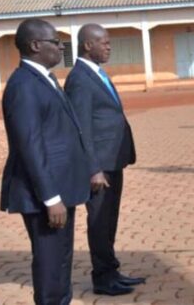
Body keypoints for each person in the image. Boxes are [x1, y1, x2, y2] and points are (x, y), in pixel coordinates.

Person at [0, 18, 92, 305]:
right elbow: (30, 146)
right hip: (45, 195)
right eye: (55, 41)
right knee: (51, 265)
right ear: (36, 45)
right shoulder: (24, 85)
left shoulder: (44, 79)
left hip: (60, 189)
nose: (60, 47)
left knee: (61, 261)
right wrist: (51, 198)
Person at [64, 24, 144, 296]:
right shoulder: (79, 79)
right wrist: (93, 168)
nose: (109, 46)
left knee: (109, 219)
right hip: (99, 166)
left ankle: (111, 271)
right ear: (88, 45)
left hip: (112, 161)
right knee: (99, 221)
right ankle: (102, 278)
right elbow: (82, 127)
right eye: (104, 42)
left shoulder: (95, 74)